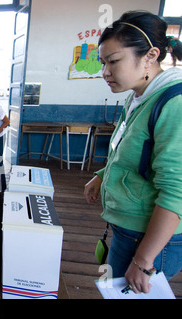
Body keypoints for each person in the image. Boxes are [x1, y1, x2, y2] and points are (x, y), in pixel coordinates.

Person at [83, 11, 182, 294]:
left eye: (114, 61)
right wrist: (102, 175)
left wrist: (143, 261)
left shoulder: (173, 104)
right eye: (103, 63)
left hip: (149, 239)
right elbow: (126, 148)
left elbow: (176, 191)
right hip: (131, 228)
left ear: (150, 55)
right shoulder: (138, 94)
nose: (105, 72)